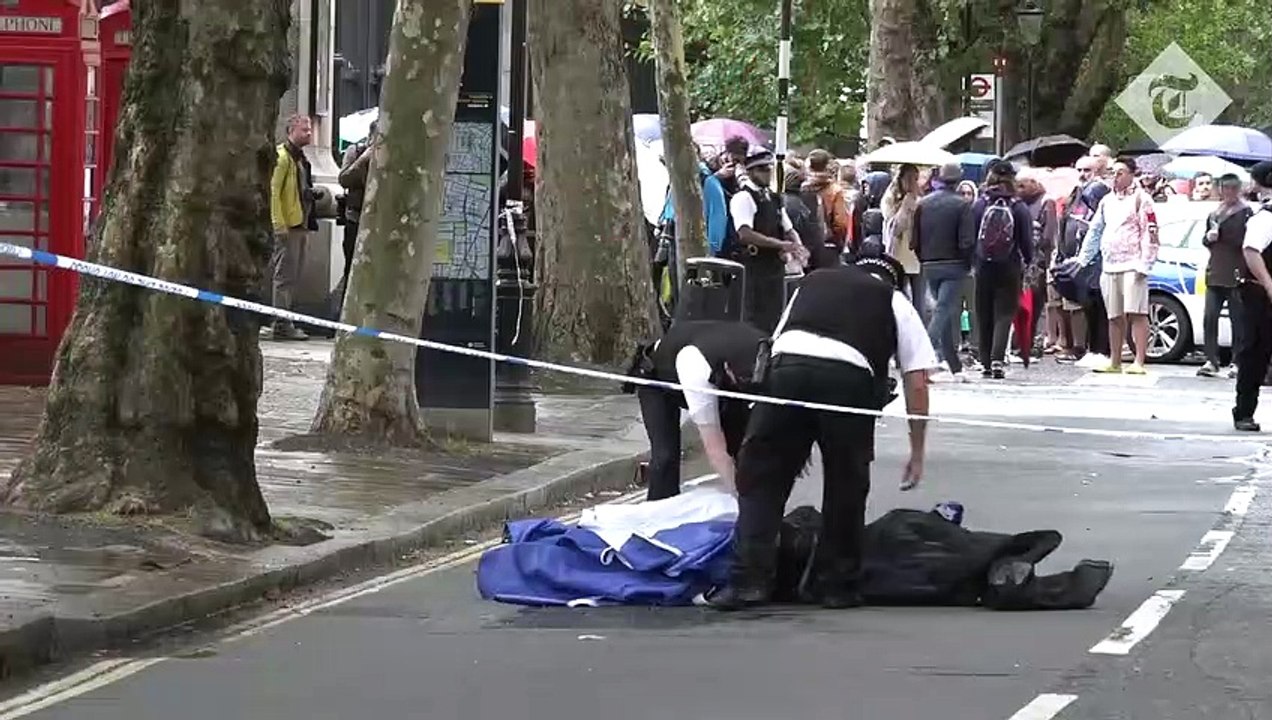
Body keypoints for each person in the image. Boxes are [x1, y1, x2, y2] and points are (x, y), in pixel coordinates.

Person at [706, 254, 939, 610]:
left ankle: (747, 582)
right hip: (848, 379)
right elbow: (917, 381)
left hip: (787, 369)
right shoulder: (892, 299)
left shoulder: (810, 284)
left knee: (762, 481)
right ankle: (835, 586)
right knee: (846, 483)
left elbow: (774, 344)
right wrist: (917, 452)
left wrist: (778, 437)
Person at [624, 320, 769, 499]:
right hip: (658, 381)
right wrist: (742, 500)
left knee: (743, 446)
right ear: (728, 369)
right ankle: (659, 512)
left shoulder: (767, 349)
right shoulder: (696, 365)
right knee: (665, 457)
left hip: (718, 377)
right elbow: (715, 450)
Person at [1076, 156, 1159, 374]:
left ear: (1132, 174)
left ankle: (1139, 360)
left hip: (1133, 263)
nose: (1116, 177)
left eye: (1120, 172)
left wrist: (1145, 264)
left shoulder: (1142, 199)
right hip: (1110, 264)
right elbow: (1095, 230)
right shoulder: (1107, 201)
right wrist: (1083, 258)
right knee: (1114, 315)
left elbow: (1150, 232)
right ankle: (1115, 360)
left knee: (1137, 312)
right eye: (1113, 172)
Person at [725, 149, 805, 333]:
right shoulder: (743, 198)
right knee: (754, 315)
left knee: (774, 313)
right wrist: (780, 244)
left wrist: (799, 247)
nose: (767, 173)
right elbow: (745, 234)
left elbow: (788, 227)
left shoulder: (774, 197)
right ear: (751, 172)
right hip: (753, 265)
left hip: (773, 266)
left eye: (768, 169)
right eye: (761, 169)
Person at [970, 160, 1034, 379]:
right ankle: (998, 359)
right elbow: (1026, 240)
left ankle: (985, 361)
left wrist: (973, 260)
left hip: (983, 265)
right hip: (1009, 266)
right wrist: (1028, 260)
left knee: (984, 313)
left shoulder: (981, 203)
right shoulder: (1018, 206)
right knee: (1004, 313)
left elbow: (971, 235)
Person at [914, 162, 975, 380]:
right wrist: (968, 263)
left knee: (944, 311)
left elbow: (915, 238)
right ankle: (923, 359)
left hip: (929, 262)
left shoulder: (924, 203)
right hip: (954, 263)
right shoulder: (962, 205)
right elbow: (967, 240)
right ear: (958, 179)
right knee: (943, 310)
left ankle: (954, 365)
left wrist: (923, 257)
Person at [266, 114, 317, 341]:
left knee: (292, 276)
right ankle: (281, 323)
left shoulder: (299, 158)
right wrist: (279, 225)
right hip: (288, 226)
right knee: (285, 277)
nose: (309, 133)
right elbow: (273, 192)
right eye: (304, 129)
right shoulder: (283, 157)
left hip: (300, 224)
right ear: (291, 131)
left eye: (309, 129)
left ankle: (285, 320)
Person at [1198, 173, 1253, 378]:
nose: (1228, 192)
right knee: (1209, 317)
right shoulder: (1215, 213)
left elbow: (1245, 242)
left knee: (1238, 319)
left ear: (1237, 189)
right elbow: (1205, 240)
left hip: (1236, 271)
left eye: (1231, 188)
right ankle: (1211, 359)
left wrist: (1221, 235)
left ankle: (1237, 361)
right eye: (1224, 188)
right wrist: (1209, 237)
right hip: (1215, 271)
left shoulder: (1245, 212)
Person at [1233, 162, 1272, 432]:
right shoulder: (1265, 218)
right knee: (1255, 353)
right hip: (1259, 295)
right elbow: (1251, 251)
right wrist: (1269, 284)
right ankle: (1244, 411)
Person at [338, 121, 377, 305]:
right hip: (356, 218)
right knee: (351, 269)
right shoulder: (355, 152)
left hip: (381, 221)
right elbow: (344, 179)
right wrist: (364, 159)